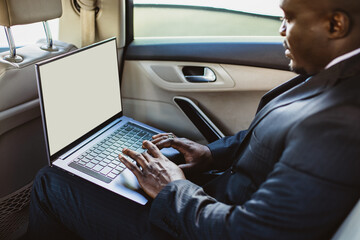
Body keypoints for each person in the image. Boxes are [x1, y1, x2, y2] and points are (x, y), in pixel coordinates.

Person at [27, 0, 360, 239]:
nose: (281, 30)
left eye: (289, 17)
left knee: (49, 181)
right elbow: (268, 138)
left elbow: (250, 232)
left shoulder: (340, 125)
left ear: (335, 25)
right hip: (213, 196)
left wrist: (173, 188)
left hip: (197, 223)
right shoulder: (331, 75)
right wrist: (210, 154)